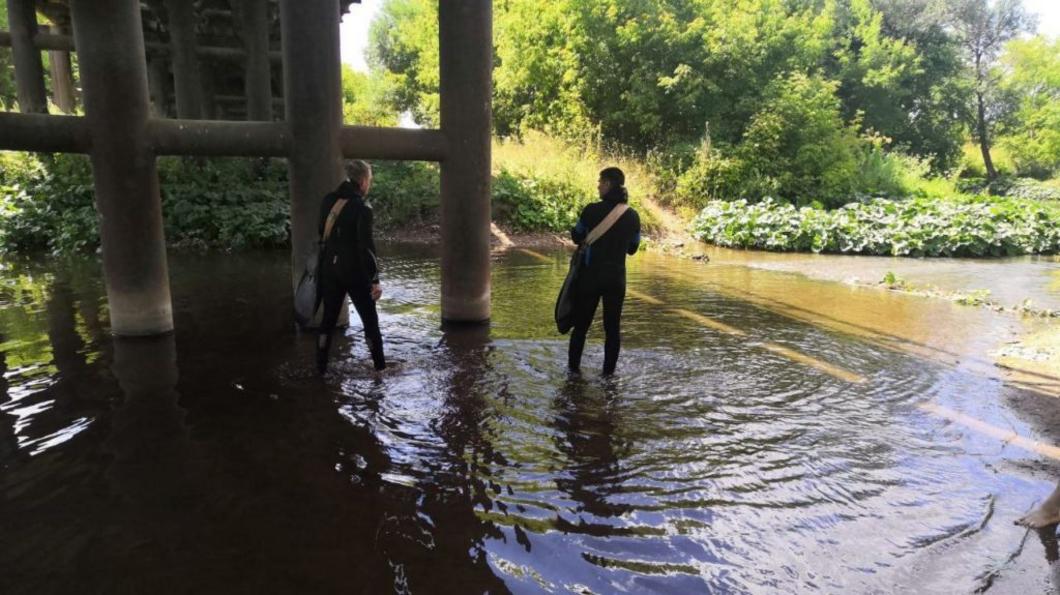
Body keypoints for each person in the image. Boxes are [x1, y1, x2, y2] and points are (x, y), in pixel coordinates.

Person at [567, 167, 641, 375]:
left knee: (581, 326)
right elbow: (633, 249)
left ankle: (573, 373)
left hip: (591, 277)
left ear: (608, 184)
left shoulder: (591, 210)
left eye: (600, 181)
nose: (598, 185)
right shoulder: (632, 216)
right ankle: (608, 377)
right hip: (616, 279)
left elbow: (577, 236)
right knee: (612, 329)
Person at [316, 160, 386, 373]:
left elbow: (322, 232)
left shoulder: (328, 200)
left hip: (330, 269)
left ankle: (320, 369)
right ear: (363, 181)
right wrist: (374, 280)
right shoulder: (362, 207)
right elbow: (366, 247)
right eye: (369, 180)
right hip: (354, 272)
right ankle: (380, 370)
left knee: (327, 321)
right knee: (370, 322)